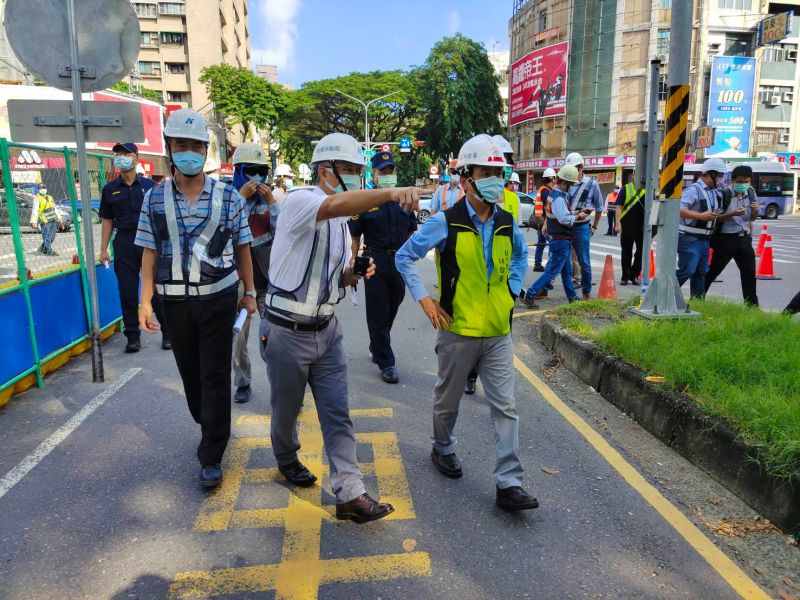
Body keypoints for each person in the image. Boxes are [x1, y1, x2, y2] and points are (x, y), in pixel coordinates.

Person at [261, 132, 419, 524]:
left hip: (326, 331)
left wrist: (351, 274)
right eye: (345, 169)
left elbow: (328, 275)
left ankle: (350, 493)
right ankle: (286, 457)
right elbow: (335, 204)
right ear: (323, 170)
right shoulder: (302, 200)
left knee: (338, 414)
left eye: (355, 171)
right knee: (287, 410)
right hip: (286, 330)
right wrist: (390, 193)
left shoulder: (339, 223)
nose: (352, 176)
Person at [396, 134, 537, 512]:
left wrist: (511, 288)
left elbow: (520, 257)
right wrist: (425, 300)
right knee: (448, 402)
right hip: (457, 330)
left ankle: (509, 483)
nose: (494, 178)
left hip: (498, 332)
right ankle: (442, 446)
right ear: (465, 178)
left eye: (498, 172)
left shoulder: (508, 221)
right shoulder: (445, 222)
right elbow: (404, 257)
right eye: (485, 172)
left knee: (505, 406)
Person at [136, 109, 257, 488]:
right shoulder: (154, 199)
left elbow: (243, 248)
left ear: (206, 150)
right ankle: (209, 422)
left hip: (219, 299)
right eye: (180, 145)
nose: (188, 152)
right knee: (191, 377)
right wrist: (144, 300)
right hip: (174, 304)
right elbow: (149, 251)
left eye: (195, 146)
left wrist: (250, 293)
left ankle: (211, 454)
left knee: (215, 374)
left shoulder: (229, 197)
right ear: (169, 149)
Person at [349, 151, 417, 384]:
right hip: (374, 261)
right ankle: (386, 361)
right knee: (378, 311)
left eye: (391, 171)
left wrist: (408, 255)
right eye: (383, 172)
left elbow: (411, 229)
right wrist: (352, 259)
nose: (388, 175)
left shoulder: (403, 201)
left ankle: (377, 342)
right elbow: (355, 234)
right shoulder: (366, 201)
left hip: (398, 260)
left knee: (393, 304)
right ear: (374, 175)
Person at [99, 143, 169, 353]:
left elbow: (161, 217)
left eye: (126, 154)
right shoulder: (110, 189)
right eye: (117, 155)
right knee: (127, 291)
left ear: (136, 159)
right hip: (125, 242)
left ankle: (168, 332)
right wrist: (104, 249)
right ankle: (132, 336)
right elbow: (107, 221)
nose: (121, 158)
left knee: (156, 290)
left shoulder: (149, 186)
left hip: (149, 241)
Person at [230, 143, 278, 403]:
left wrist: (271, 203)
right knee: (238, 336)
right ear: (239, 171)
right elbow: (226, 231)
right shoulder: (228, 198)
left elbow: (283, 233)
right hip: (239, 282)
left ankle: (284, 386)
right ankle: (243, 383)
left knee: (276, 339)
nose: (257, 178)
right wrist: (241, 198)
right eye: (251, 171)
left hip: (269, 282)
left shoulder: (271, 200)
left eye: (262, 171)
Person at [523, 165, 585, 308]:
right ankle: (531, 293)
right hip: (560, 239)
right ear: (564, 182)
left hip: (559, 238)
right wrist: (578, 217)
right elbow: (563, 218)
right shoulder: (558, 198)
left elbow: (558, 215)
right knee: (552, 272)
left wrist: (575, 213)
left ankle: (572, 298)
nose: (571, 187)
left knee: (566, 271)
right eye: (571, 184)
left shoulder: (553, 195)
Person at [704, 165, 759, 306]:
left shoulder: (751, 193)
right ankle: (698, 297)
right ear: (733, 180)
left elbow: (751, 219)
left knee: (749, 273)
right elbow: (716, 217)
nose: (743, 185)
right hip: (726, 239)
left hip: (744, 238)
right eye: (740, 182)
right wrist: (732, 214)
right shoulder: (724, 194)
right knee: (714, 270)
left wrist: (756, 211)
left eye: (746, 181)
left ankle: (752, 306)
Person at [676, 158, 725, 299]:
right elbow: (678, 208)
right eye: (720, 175)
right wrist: (700, 216)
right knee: (687, 270)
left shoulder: (714, 192)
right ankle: (662, 296)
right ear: (711, 174)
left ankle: (697, 302)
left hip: (704, 239)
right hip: (689, 238)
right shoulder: (693, 190)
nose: (721, 179)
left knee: (701, 272)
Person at [563, 152, 605, 299]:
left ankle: (586, 291)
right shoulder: (566, 182)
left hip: (582, 227)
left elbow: (599, 208)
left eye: (575, 168)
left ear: (582, 167)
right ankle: (567, 291)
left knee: (584, 261)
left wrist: (594, 226)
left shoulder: (592, 184)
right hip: (566, 226)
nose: (572, 171)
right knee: (560, 260)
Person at [615, 179, 645, 286]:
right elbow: (619, 207)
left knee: (641, 253)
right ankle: (625, 276)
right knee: (626, 252)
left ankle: (634, 275)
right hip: (627, 225)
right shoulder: (626, 188)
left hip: (642, 227)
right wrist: (618, 224)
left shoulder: (649, 189)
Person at [532, 168, 556, 272]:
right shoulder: (546, 191)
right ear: (552, 179)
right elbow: (549, 207)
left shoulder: (543, 189)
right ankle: (549, 266)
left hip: (540, 220)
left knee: (541, 243)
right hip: (545, 222)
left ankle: (537, 264)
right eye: (555, 178)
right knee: (551, 243)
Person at [30, 185, 62, 256]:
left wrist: (59, 217)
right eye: (41, 188)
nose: (43, 189)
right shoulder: (37, 198)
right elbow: (35, 210)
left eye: (44, 187)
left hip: (52, 219)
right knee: (46, 236)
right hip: (45, 221)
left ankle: (43, 248)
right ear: (38, 190)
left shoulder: (50, 197)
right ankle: (48, 251)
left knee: (52, 237)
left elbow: (54, 208)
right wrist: (34, 221)